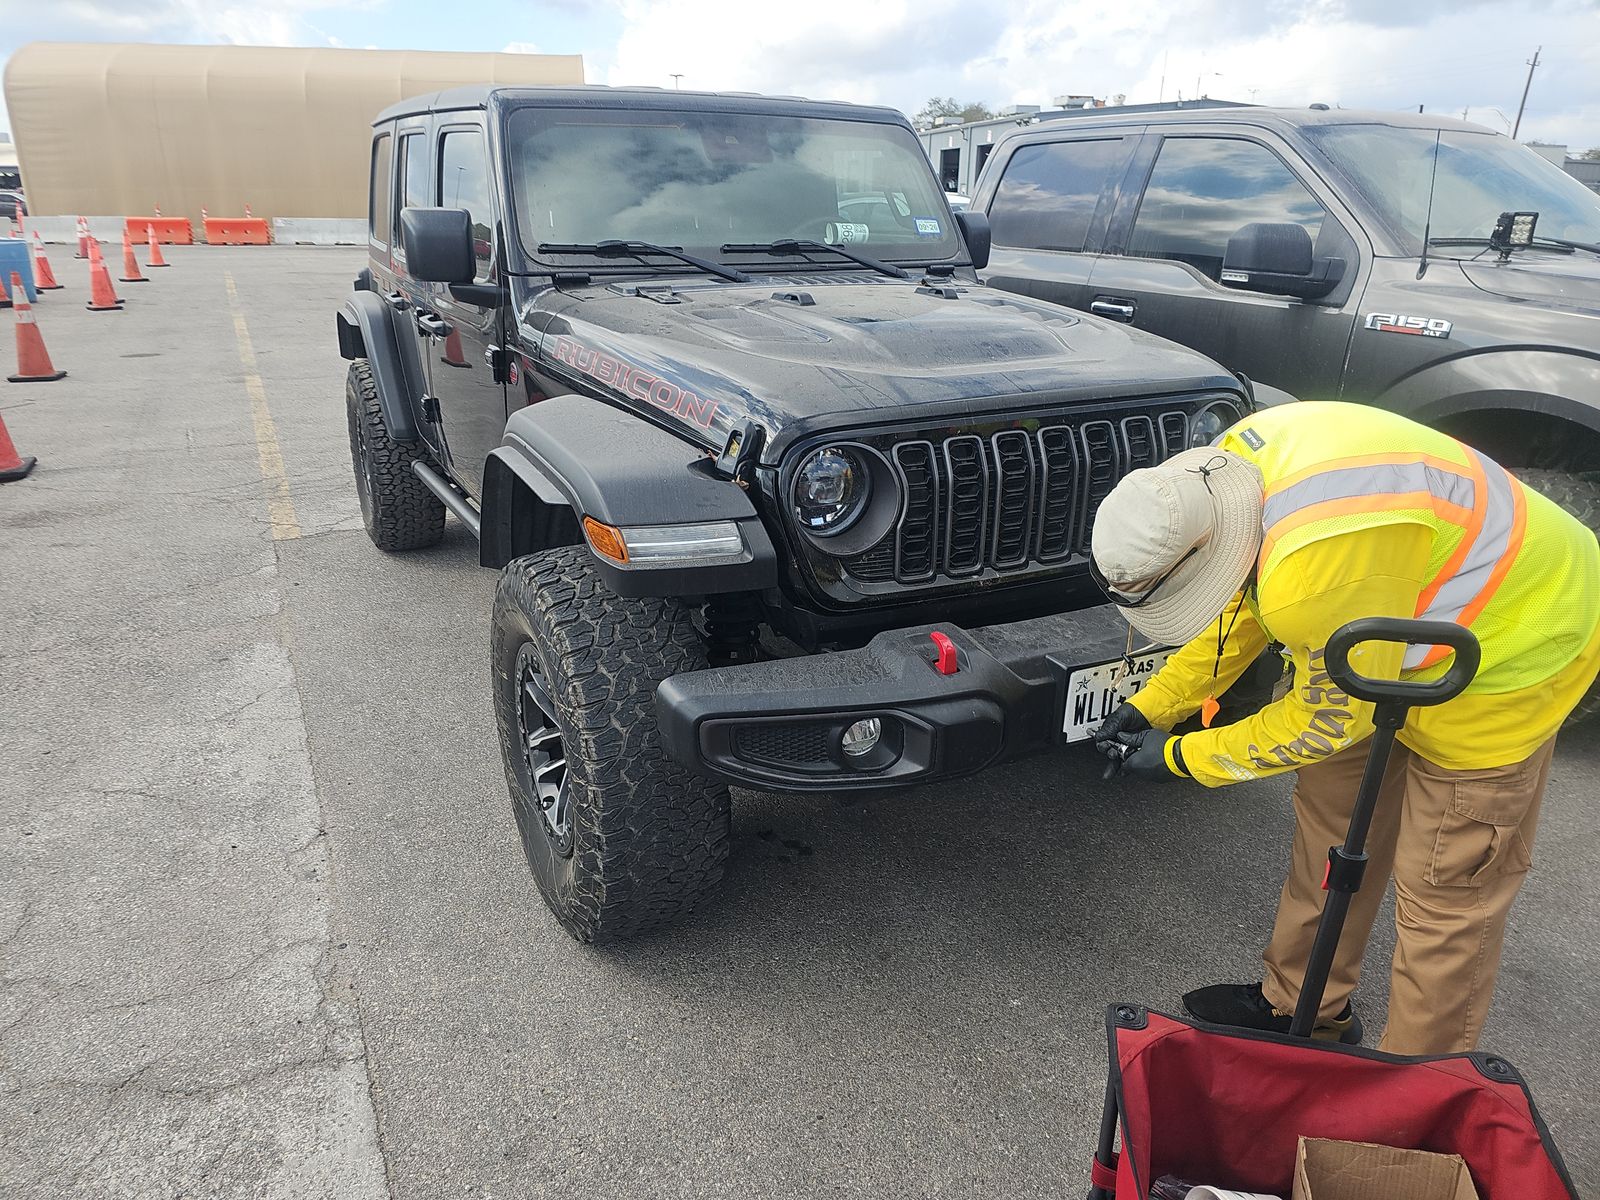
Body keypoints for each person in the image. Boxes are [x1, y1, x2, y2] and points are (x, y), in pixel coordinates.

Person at [1089, 401, 1600, 1054]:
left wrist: (1182, 757)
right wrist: (1155, 705)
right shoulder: (1224, 485)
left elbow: (1319, 722)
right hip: (1378, 608)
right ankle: (1301, 1006)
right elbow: (1241, 604)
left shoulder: (1306, 579)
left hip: (1513, 639)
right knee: (1331, 835)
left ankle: (1418, 1095)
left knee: (1444, 896)